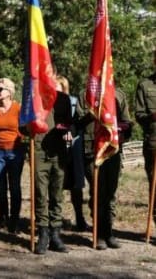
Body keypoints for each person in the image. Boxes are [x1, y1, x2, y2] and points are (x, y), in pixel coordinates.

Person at [77, 87, 132, 250]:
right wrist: (94, 112)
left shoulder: (119, 94)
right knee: (97, 192)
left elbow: (127, 123)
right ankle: (99, 233)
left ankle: (108, 232)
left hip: (112, 148)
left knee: (110, 193)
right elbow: (77, 121)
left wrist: (124, 130)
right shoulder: (85, 94)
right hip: (92, 149)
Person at [29, 85, 73, 255]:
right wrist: (28, 127)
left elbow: (71, 123)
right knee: (40, 193)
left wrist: (67, 131)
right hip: (39, 150)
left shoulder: (63, 98)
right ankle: (43, 234)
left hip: (58, 151)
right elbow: (22, 125)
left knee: (56, 194)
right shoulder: (33, 98)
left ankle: (55, 234)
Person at [0, 78, 25, 233]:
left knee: (14, 186)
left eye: (0, 89)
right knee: (0, 187)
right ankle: (2, 216)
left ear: (9, 92)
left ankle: (14, 220)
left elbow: (24, 128)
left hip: (15, 151)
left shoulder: (18, 108)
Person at [55, 76, 88, 232]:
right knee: (57, 184)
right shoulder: (50, 102)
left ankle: (80, 218)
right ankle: (56, 219)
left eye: (58, 87)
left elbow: (78, 123)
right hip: (56, 147)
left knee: (76, 185)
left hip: (74, 146)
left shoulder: (73, 102)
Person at [135, 50, 156, 234]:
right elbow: (139, 115)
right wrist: (152, 116)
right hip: (154, 144)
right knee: (155, 186)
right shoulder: (145, 85)